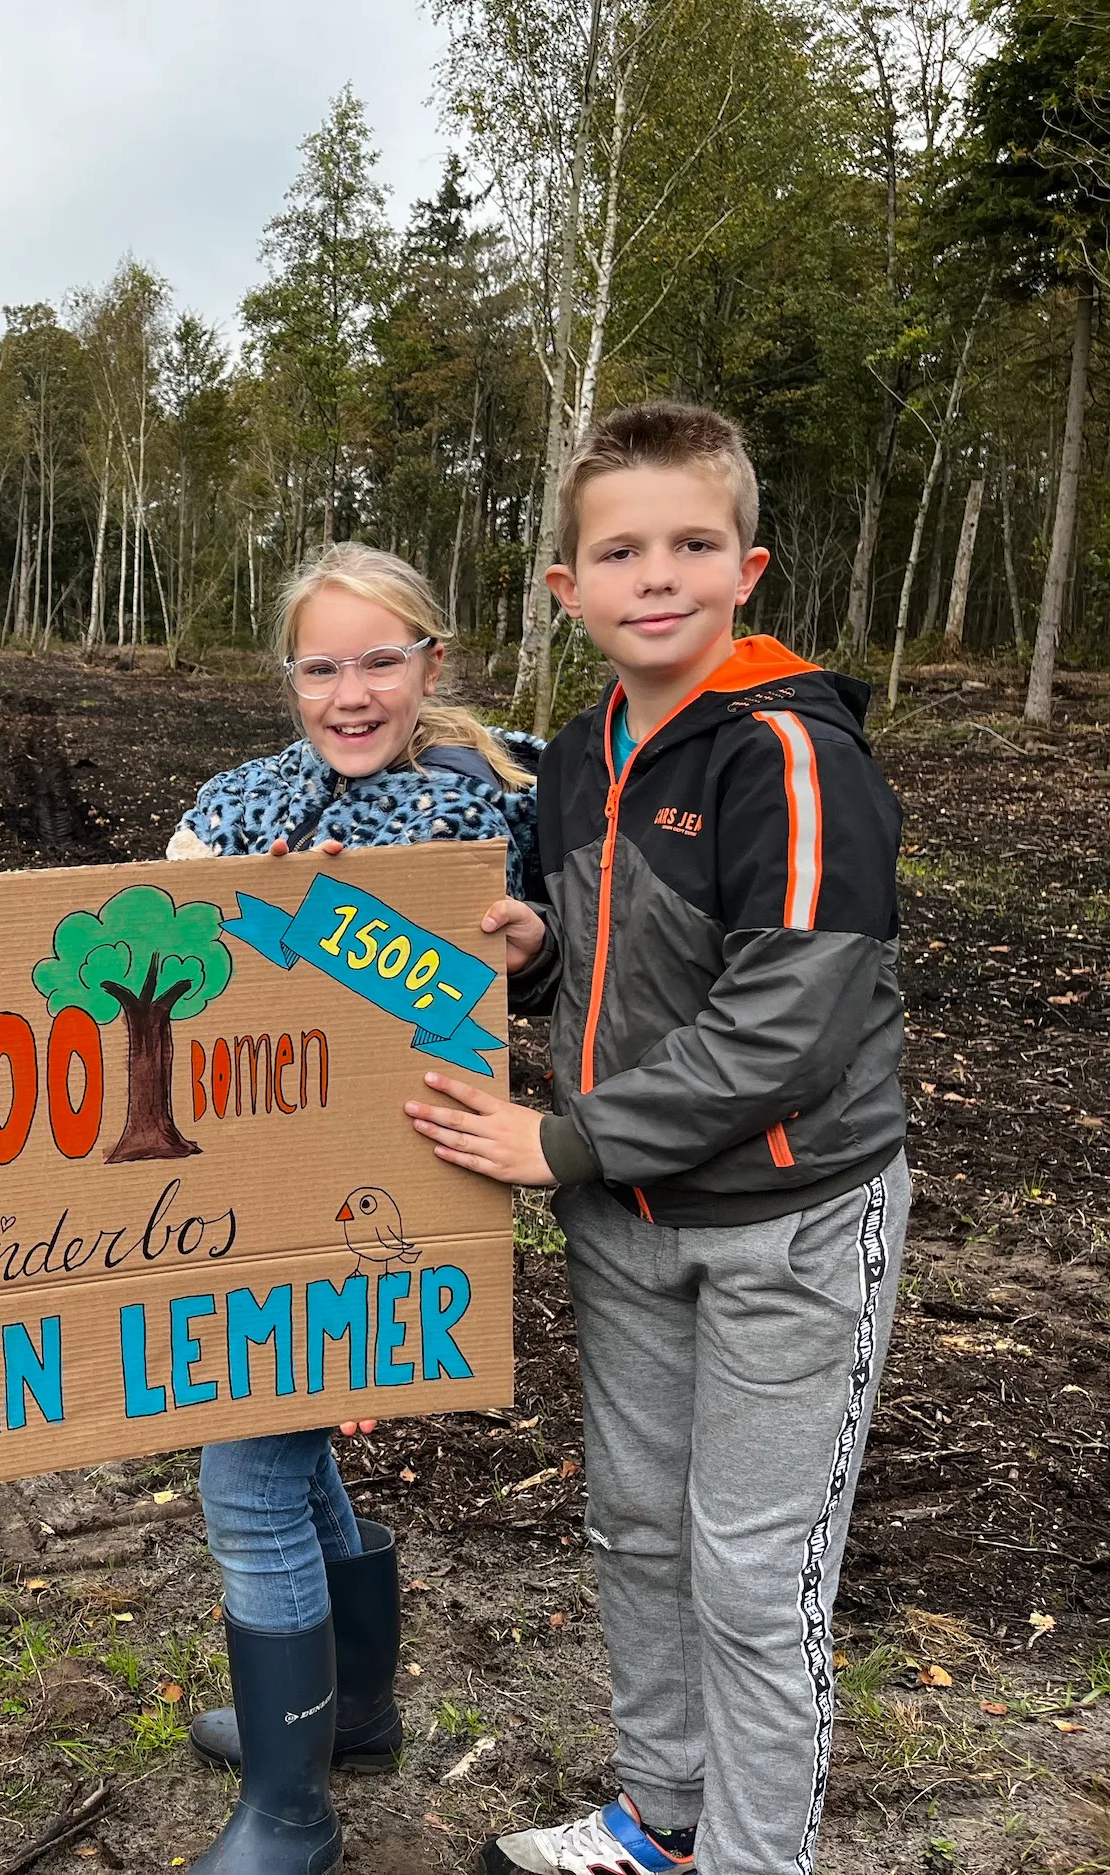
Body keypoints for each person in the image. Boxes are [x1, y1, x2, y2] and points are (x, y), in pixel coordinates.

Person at [404, 402, 910, 1875]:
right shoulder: (578, 753)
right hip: (629, 1220)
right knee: (636, 1522)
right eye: (620, 550)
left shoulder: (791, 758)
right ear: (567, 589)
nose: (659, 575)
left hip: (788, 1222)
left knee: (756, 1571)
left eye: (692, 543)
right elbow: (629, 957)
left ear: (748, 567)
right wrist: (537, 953)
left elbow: (787, 1026)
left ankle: (760, 1856)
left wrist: (556, 1140)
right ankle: (662, 1816)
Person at [167, 543, 541, 1875]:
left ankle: (292, 1811)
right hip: (245, 1189)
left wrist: (519, 942)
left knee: (248, 1462)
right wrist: (254, 911)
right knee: (283, 1439)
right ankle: (353, 1715)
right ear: (289, 674)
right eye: (322, 664)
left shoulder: (485, 808)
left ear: (432, 661)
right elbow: (156, 979)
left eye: (380, 658)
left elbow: (507, 989)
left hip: (394, 1193)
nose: (351, 690)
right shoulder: (233, 807)